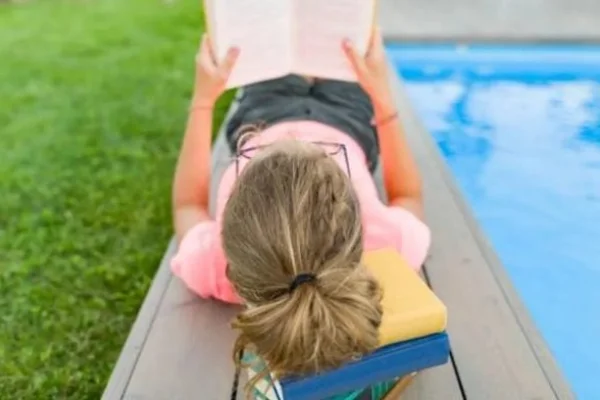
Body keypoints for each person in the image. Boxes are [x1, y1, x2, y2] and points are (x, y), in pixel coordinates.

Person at [170, 27, 431, 382]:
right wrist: (382, 99)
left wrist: (203, 101)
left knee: (284, 30)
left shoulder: (213, 264)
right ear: (357, 218)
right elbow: (408, 197)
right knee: (343, 33)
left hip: (265, 112)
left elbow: (188, 205)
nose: (300, 138)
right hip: (348, 119)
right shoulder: (388, 247)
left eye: (253, 150)